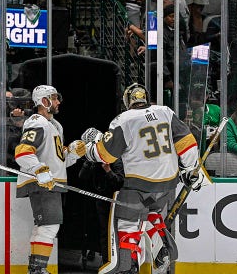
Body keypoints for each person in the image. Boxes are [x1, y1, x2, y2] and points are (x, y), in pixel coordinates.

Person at [81, 83, 203, 274]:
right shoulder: (165, 112)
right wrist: (190, 168)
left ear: (127, 101)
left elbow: (106, 155)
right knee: (149, 213)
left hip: (137, 185)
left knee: (127, 225)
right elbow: (187, 142)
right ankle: (160, 242)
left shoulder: (123, 119)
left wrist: (88, 151)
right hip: (167, 184)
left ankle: (127, 268)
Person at [14, 85, 80, 274]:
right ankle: (37, 269)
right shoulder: (38, 122)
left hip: (50, 182)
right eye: (54, 98)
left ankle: (35, 269)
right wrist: (39, 170)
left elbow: (59, 162)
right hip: (42, 183)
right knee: (49, 226)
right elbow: (22, 152)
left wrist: (73, 154)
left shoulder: (54, 126)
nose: (58, 102)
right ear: (44, 101)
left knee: (44, 226)